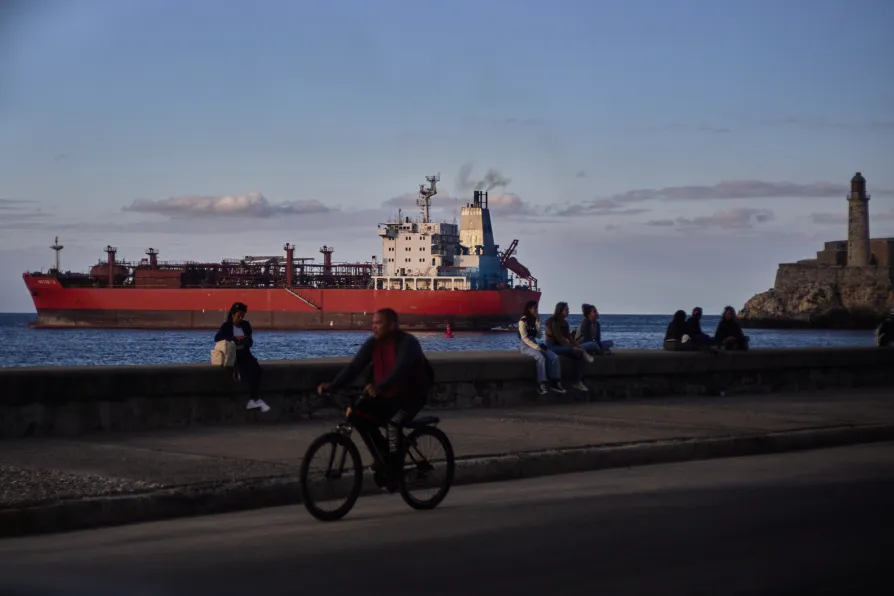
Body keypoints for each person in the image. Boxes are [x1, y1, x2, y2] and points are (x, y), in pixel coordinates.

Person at [317, 308, 434, 491]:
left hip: (411, 396)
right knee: (361, 417)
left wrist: (380, 387)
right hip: (386, 395)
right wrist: (333, 386)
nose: (374, 327)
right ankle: (384, 456)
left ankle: (395, 465)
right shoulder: (373, 344)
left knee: (394, 424)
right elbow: (354, 367)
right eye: (372, 324)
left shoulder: (408, 343)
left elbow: (400, 371)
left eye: (378, 324)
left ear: (392, 326)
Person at [214, 302, 268, 412]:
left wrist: (246, 340)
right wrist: (231, 338)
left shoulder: (246, 325)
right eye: (239, 315)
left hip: (244, 352)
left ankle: (253, 399)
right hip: (233, 354)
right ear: (233, 314)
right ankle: (253, 399)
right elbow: (217, 338)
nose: (241, 318)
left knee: (257, 370)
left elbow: (250, 341)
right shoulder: (227, 326)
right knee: (247, 370)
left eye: (242, 316)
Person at [518, 300, 565, 395]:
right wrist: (536, 347)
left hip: (534, 342)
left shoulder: (534, 319)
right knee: (540, 357)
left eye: (536, 308)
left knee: (554, 357)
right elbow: (524, 337)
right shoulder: (522, 321)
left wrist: (538, 322)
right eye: (534, 308)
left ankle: (555, 382)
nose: (536, 310)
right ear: (529, 309)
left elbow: (539, 335)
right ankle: (541, 383)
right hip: (526, 346)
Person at [545, 301, 591, 392]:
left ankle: (577, 381)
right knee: (571, 349)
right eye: (566, 309)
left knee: (579, 355)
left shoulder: (565, 323)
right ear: (560, 310)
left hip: (561, 346)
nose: (568, 311)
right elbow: (559, 338)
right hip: (552, 346)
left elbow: (569, 337)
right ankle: (555, 383)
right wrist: (573, 347)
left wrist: (577, 346)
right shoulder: (552, 321)